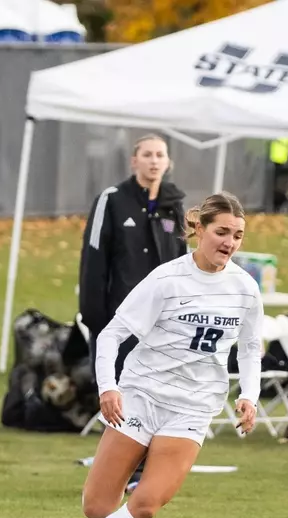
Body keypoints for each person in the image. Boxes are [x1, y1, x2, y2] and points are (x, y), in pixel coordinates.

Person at [52, 193, 263, 518]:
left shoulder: (245, 288)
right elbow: (110, 335)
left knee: (146, 506)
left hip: (193, 406)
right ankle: (140, 459)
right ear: (199, 229)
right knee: (96, 506)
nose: (230, 242)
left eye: (238, 235)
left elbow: (249, 347)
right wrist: (108, 387)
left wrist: (249, 395)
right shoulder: (167, 279)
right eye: (222, 232)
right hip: (141, 395)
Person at [79, 134, 187, 492]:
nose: (154, 161)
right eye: (147, 155)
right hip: (121, 319)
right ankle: (117, 469)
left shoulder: (175, 205)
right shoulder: (111, 201)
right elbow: (93, 260)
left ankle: (144, 471)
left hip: (163, 322)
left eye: (160, 155)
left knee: (158, 394)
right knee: (121, 395)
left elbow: (183, 261)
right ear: (134, 161)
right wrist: (95, 317)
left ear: (168, 162)